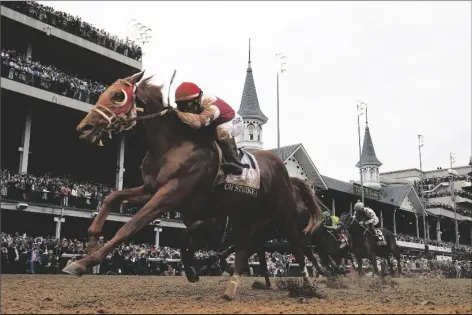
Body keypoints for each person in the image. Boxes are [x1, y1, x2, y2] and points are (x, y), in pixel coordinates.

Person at [174, 82, 249, 175]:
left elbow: (198, 122)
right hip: (213, 123)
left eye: (187, 105)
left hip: (233, 122)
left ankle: (235, 162)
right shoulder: (194, 102)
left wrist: (178, 113)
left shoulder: (212, 106)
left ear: (196, 100)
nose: (184, 109)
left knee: (222, 129)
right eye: (180, 105)